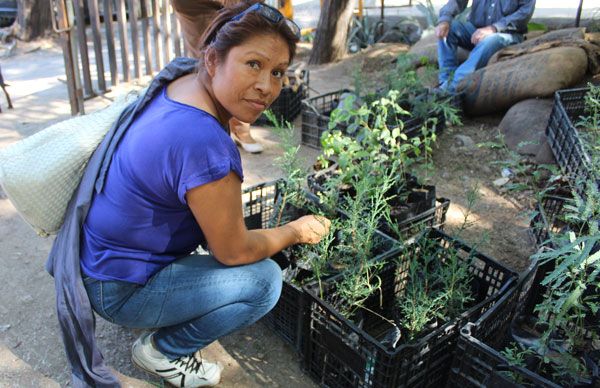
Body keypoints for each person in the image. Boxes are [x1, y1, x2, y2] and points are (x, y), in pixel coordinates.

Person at [47, 1, 331, 387]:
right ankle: (165, 350)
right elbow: (233, 252)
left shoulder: (181, 81)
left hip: (100, 258)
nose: (267, 85)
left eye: (278, 72)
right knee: (264, 281)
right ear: (213, 59)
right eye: (253, 64)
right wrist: (296, 231)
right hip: (118, 288)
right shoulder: (203, 141)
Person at [173, 0, 265, 153]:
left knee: (241, 57)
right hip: (199, 6)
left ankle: (238, 130)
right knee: (209, 63)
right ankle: (214, 136)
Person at [435, 0, 536, 93]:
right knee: (449, 29)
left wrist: (494, 28)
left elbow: (524, 13)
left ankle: (451, 88)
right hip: (476, 31)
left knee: (491, 40)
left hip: (507, 34)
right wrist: (445, 20)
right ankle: (445, 81)